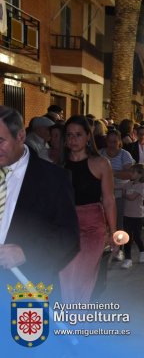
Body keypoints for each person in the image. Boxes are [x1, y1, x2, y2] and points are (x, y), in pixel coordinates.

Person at [0, 106, 79, 297]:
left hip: (26, 287)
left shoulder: (53, 179)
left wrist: (26, 252)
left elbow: (68, 236)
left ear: (20, 136)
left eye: (0, 141)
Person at [59, 115, 117, 303]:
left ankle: (77, 322)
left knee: (83, 278)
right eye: (69, 135)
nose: (73, 139)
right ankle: (71, 325)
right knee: (65, 278)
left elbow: (108, 200)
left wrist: (114, 232)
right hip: (65, 227)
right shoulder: (58, 165)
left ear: (87, 137)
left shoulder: (101, 163)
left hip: (92, 227)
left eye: (78, 134)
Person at [121, 164, 144, 269]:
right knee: (127, 238)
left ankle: (142, 250)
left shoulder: (142, 186)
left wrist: (124, 194)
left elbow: (131, 197)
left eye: (133, 172)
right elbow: (121, 189)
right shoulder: (128, 184)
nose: (130, 174)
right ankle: (128, 259)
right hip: (127, 215)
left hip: (137, 216)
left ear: (140, 174)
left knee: (136, 236)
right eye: (130, 172)